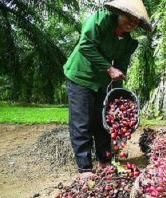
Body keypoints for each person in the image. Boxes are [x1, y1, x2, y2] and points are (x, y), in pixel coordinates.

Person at [63, 0, 151, 177]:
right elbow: (85, 46)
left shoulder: (128, 43)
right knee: (82, 122)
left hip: (102, 83)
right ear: (119, 12)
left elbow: (121, 68)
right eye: (129, 18)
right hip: (80, 76)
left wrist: (117, 97)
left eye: (136, 22)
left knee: (103, 122)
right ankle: (85, 168)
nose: (132, 24)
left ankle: (105, 161)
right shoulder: (100, 20)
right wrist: (109, 69)